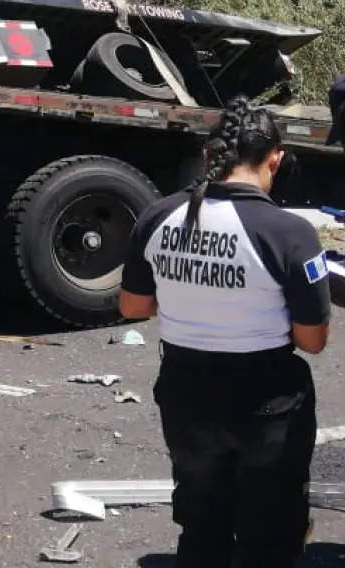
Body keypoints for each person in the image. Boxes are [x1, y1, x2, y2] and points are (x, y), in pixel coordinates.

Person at [119, 96, 330, 568]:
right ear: (275, 158)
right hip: (266, 400)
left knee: (201, 522)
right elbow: (313, 341)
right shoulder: (290, 233)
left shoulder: (158, 216)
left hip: (185, 391)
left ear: (209, 156)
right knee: (269, 533)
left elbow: (132, 307)